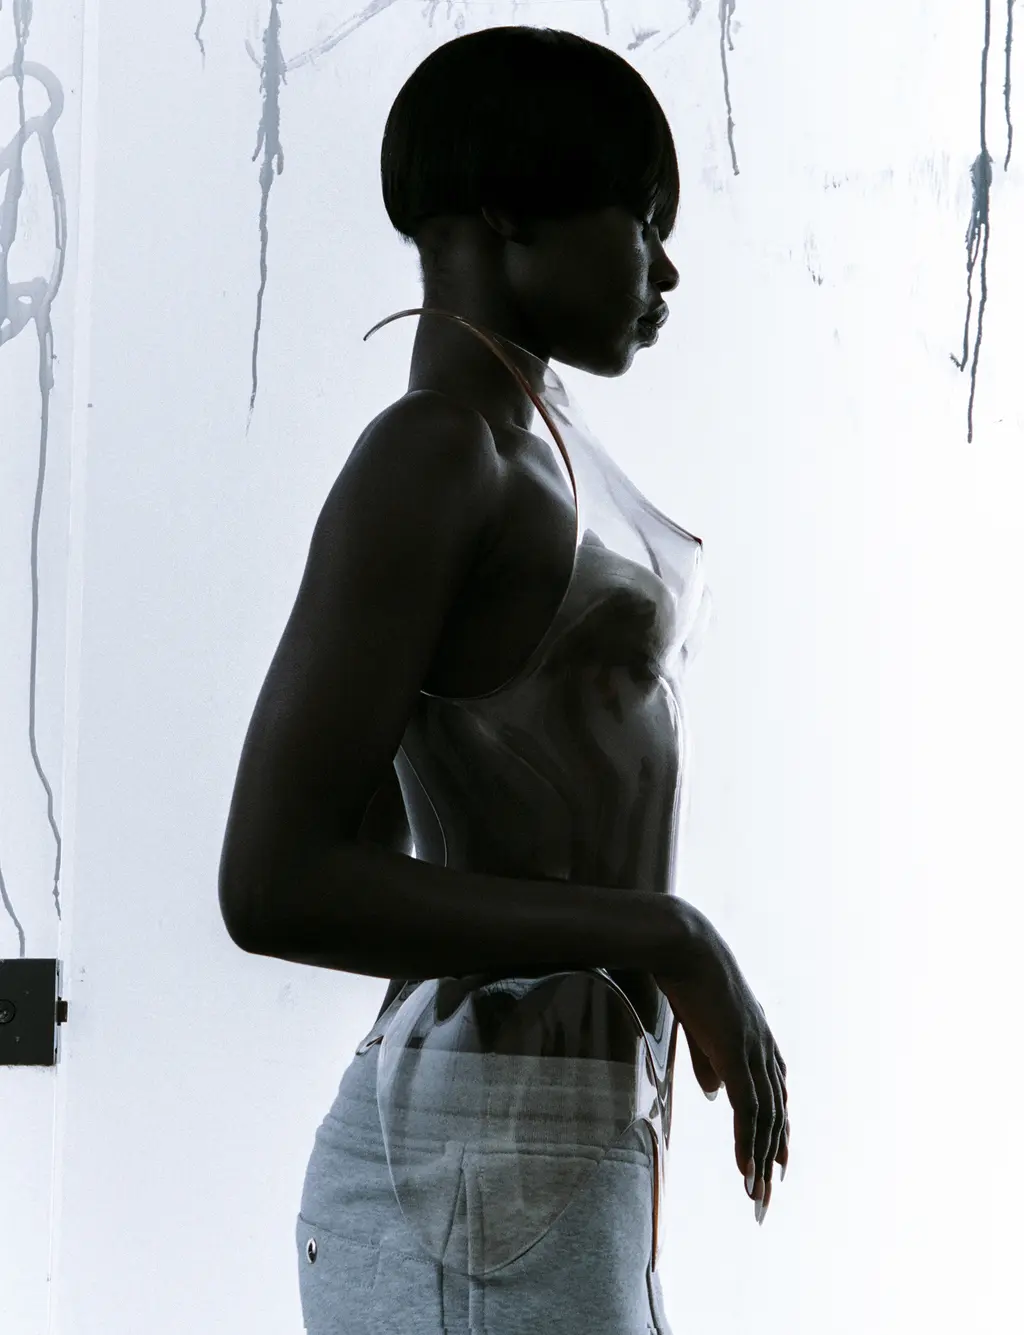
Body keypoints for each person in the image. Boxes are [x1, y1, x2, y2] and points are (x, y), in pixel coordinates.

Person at [218, 25, 789, 1335]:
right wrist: (664, 933)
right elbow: (272, 883)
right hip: (472, 1170)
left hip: (546, 1145)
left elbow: (393, 831)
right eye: (642, 218)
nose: (666, 266)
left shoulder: (526, 442)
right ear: (507, 211)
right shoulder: (436, 453)